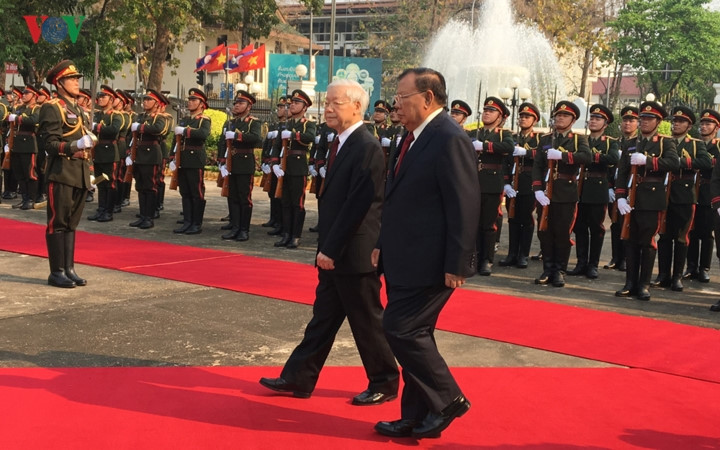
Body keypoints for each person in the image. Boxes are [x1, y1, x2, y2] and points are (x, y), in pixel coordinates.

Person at [259, 79, 399, 405]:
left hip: (354, 252)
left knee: (367, 322)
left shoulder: (366, 146)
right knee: (322, 319)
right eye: (328, 102)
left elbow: (357, 205)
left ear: (356, 107)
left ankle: (385, 382)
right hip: (336, 249)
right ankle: (299, 376)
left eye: (337, 103)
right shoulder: (341, 142)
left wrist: (330, 250)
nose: (329, 108)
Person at [373, 68, 479, 439]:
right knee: (417, 334)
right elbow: (400, 201)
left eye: (403, 97)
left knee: (400, 328)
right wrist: (382, 246)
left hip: (432, 263)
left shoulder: (449, 137)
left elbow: (464, 204)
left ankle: (448, 399)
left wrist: (457, 263)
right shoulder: (411, 137)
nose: (396, 104)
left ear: (428, 98)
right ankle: (415, 417)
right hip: (405, 258)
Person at [38, 60, 95, 288]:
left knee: (71, 223)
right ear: (59, 83)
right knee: (58, 223)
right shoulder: (52, 107)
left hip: (78, 173)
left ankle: (69, 268)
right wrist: (74, 146)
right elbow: (49, 144)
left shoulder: (78, 108)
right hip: (61, 173)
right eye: (71, 79)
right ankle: (57, 271)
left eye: (77, 78)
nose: (76, 82)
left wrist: (89, 167)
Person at [615, 101, 679, 301]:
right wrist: (619, 196)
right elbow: (622, 172)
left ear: (658, 122)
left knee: (647, 242)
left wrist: (649, 162)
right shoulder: (631, 143)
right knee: (630, 240)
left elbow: (674, 163)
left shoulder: (665, 142)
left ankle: (644, 284)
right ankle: (630, 282)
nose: (644, 122)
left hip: (652, 197)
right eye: (642, 118)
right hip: (631, 197)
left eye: (649, 119)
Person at [650, 107, 711, 292]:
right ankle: (663, 275)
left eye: (681, 121)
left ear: (689, 125)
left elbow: (706, 162)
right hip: (662, 192)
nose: (676, 124)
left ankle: (677, 276)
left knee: (681, 237)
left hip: (684, 193)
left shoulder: (695, 144)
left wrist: (680, 162)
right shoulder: (663, 142)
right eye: (675, 121)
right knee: (664, 236)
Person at [532, 101, 592, 287]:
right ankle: (547, 268)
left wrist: (564, 156)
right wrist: (537, 189)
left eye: (565, 116)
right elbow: (537, 166)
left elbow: (587, 157)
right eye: (558, 115)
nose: (560, 118)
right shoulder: (546, 139)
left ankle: (559, 270)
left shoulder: (578, 139)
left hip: (566, 192)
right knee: (545, 232)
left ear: (573, 120)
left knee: (562, 233)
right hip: (545, 192)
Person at [567, 104, 619, 279]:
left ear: (605, 123)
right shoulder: (581, 140)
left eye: (598, 119)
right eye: (592, 118)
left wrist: (591, 157)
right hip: (580, 185)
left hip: (598, 187)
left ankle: (593, 264)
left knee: (596, 228)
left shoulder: (611, 142)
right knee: (580, 226)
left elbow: (612, 159)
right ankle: (581, 262)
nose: (593, 121)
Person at [472, 97, 515, 275]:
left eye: (491, 111)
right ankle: (473, 257)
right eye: (485, 110)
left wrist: (485, 146)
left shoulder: (504, 134)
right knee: (473, 224)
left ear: (500, 116)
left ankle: (487, 260)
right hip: (473, 181)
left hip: (492, 182)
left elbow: (508, 147)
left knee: (488, 224)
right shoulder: (474, 133)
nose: (487, 113)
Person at [269, 89, 316, 249]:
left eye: (296, 103)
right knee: (285, 202)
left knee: (297, 204)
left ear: (304, 107)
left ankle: (296, 236)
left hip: (298, 167)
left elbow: (310, 137)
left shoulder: (308, 124)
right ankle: (286, 234)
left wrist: (294, 135)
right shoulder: (285, 125)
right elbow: (276, 145)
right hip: (284, 166)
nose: (292, 105)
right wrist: (274, 163)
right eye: (291, 103)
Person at [499, 102, 541, 269]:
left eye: (527, 117)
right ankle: (512, 253)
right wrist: (506, 183)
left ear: (535, 120)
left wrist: (528, 152)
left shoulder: (539, 139)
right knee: (512, 218)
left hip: (529, 183)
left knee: (526, 219)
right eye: (521, 116)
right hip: (513, 183)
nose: (523, 119)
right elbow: (505, 162)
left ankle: (523, 254)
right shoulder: (512, 138)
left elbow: (544, 155)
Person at [218, 90, 262, 240]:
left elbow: (256, 139)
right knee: (233, 197)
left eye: (240, 103)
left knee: (244, 198)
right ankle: (235, 227)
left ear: (249, 106)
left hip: (244, 162)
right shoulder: (230, 122)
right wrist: (222, 161)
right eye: (236, 103)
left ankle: (244, 230)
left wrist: (237, 136)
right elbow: (222, 142)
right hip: (231, 162)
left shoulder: (253, 122)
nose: (237, 105)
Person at [686, 109, 720, 283]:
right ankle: (691, 266)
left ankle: (704, 268)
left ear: (716, 127)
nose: (704, 127)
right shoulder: (693, 145)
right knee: (691, 230)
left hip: (708, 194)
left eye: (709, 124)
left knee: (707, 233)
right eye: (703, 123)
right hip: (692, 191)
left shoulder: (718, 146)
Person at [127, 89, 168, 229]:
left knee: (150, 187)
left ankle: (149, 217)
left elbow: (159, 129)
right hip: (139, 154)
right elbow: (131, 134)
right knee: (140, 186)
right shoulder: (140, 116)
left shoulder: (160, 117)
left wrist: (141, 127)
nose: (145, 102)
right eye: (144, 100)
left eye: (148, 100)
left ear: (156, 103)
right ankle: (143, 215)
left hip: (151, 154)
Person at [172, 88, 211, 235]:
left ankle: (196, 223)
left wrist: (185, 131)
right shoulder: (185, 119)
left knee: (196, 192)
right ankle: (187, 222)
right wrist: (172, 157)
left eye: (194, 100)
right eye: (189, 100)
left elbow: (203, 134)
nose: (190, 102)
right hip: (183, 158)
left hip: (195, 158)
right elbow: (176, 140)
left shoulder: (203, 120)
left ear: (202, 104)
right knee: (185, 192)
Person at [606, 106, 639, 271]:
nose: (628, 123)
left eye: (632, 120)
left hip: (632, 188)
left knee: (629, 223)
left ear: (638, 123)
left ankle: (626, 258)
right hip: (616, 189)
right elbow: (608, 168)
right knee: (615, 223)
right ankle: (615, 257)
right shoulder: (614, 142)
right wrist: (609, 187)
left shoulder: (639, 143)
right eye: (625, 120)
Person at [88, 85, 123, 222]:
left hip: (109, 153)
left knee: (110, 184)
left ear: (111, 99)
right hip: (97, 152)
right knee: (100, 183)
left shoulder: (116, 115)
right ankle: (101, 209)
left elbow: (114, 130)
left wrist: (97, 127)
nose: (100, 99)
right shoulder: (96, 115)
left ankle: (108, 211)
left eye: (104, 97)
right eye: (99, 97)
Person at [259, 96, 289, 234]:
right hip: (273, 162)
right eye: (279, 107)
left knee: (281, 193)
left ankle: (281, 221)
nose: (279, 109)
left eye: (282, 107)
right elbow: (266, 145)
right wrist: (265, 160)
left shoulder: (288, 126)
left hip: (283, 163)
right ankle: (274, 218)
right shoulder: (274, 125)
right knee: (272, 191)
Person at [9, 86, 41, 210]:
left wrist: (17, 118)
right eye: (24, 93)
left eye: (27, 93)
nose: (24, 95)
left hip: (29, 144)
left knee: (30, 173)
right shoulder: (20, 108)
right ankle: (24, 198)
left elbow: (34, 121)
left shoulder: (37, 109)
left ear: (34, 96)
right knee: (19, 173)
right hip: (18, 144)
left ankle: (31, 199)